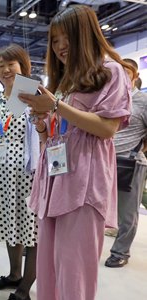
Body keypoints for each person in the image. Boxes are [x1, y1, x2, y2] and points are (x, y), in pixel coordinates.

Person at [18, 5, 134, 300]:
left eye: (65, 37)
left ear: (84, 34)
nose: (59, 47)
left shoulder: (111, 71)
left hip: (83, 184)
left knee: (74, 276)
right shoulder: (65, 82)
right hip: (53, 182)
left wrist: (56, 106)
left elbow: (107, 128)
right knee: (48, 272)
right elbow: (58, 134)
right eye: (54, 41)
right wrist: (43, 125)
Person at [0, 44, 40, 300]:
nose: (5, 69)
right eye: (1, 65)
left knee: (31, 230)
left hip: (28, 173)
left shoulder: (32, 93)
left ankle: (26, 284)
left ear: (23, 66)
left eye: (11, 64)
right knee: (8, 225)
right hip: (2, 174)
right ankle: (14, 275)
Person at [104, 58, 147, 268]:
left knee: (128, 213)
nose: (120, 75)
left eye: (126, 72)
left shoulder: (143, 101)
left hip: (130, 161)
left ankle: (120, 252)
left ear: (135, 76)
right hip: (105, 159)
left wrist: (139, 149)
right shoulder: (112, 98)